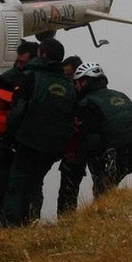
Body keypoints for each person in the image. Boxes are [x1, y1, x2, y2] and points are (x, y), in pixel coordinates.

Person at [2, 38, 76, 226]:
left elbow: (18, 110)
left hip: (28, 141)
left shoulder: (29, 77)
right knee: (36, 183)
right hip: (52, 147)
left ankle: (11, 227)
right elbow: (70, 119)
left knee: (17, 183)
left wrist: (10, 134)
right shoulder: (69, 85)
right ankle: (32, 221)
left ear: (42, 54)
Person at [72, 62, 132, 200]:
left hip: (116, 152)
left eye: (77, 83)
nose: (76, 87)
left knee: (102, 189)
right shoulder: (120, 95)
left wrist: (78, 155)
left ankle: (104, 214)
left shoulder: (86, 103)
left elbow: (92, 140)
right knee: (110, 184)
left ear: (85, 82)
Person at [0, 40, 38, 228]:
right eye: (19, 62)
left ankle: (21, 223)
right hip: (4, 140)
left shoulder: (36, 81)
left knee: (23, 186)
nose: (19, 65)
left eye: (23, 62)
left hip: (25, 142)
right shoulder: (5, 80)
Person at [56, 55, 85, 217]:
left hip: (77, 150)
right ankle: (66, 219)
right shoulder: (68, 94)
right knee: (66, 189)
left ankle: (66, 219)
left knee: (68, 189)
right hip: (69, 148)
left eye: (68, 75)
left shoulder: (84, 98)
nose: (65, 79)